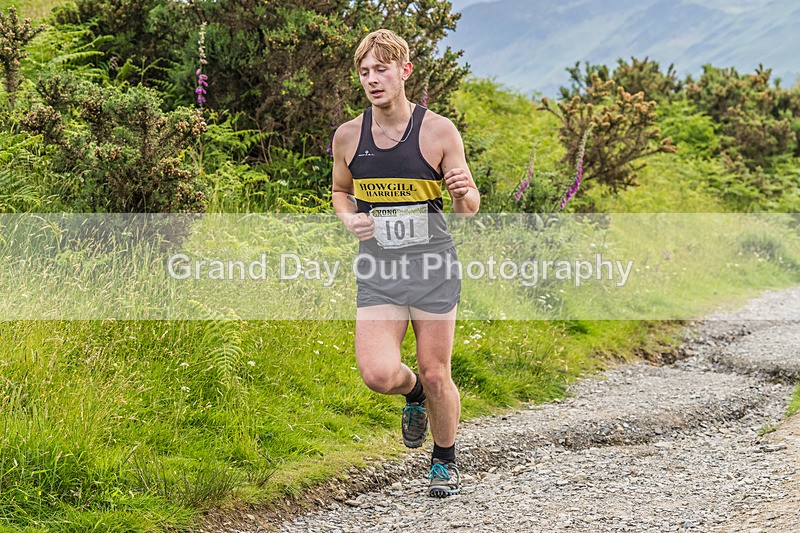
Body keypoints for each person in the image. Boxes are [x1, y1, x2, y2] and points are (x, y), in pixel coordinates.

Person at [331, 28, 480, 498]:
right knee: (378, 374)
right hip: (380, 271)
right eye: (365, 72)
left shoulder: (438, 131)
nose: (372, 80)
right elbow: (339, 191)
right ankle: (412, 395)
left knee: (438, 371)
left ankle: (444, 461)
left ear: (404, 71)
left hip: (433, 269)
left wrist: (461, 193)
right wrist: (349, 218)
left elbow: (469, 207)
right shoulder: (349, 135)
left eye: (382, 69)